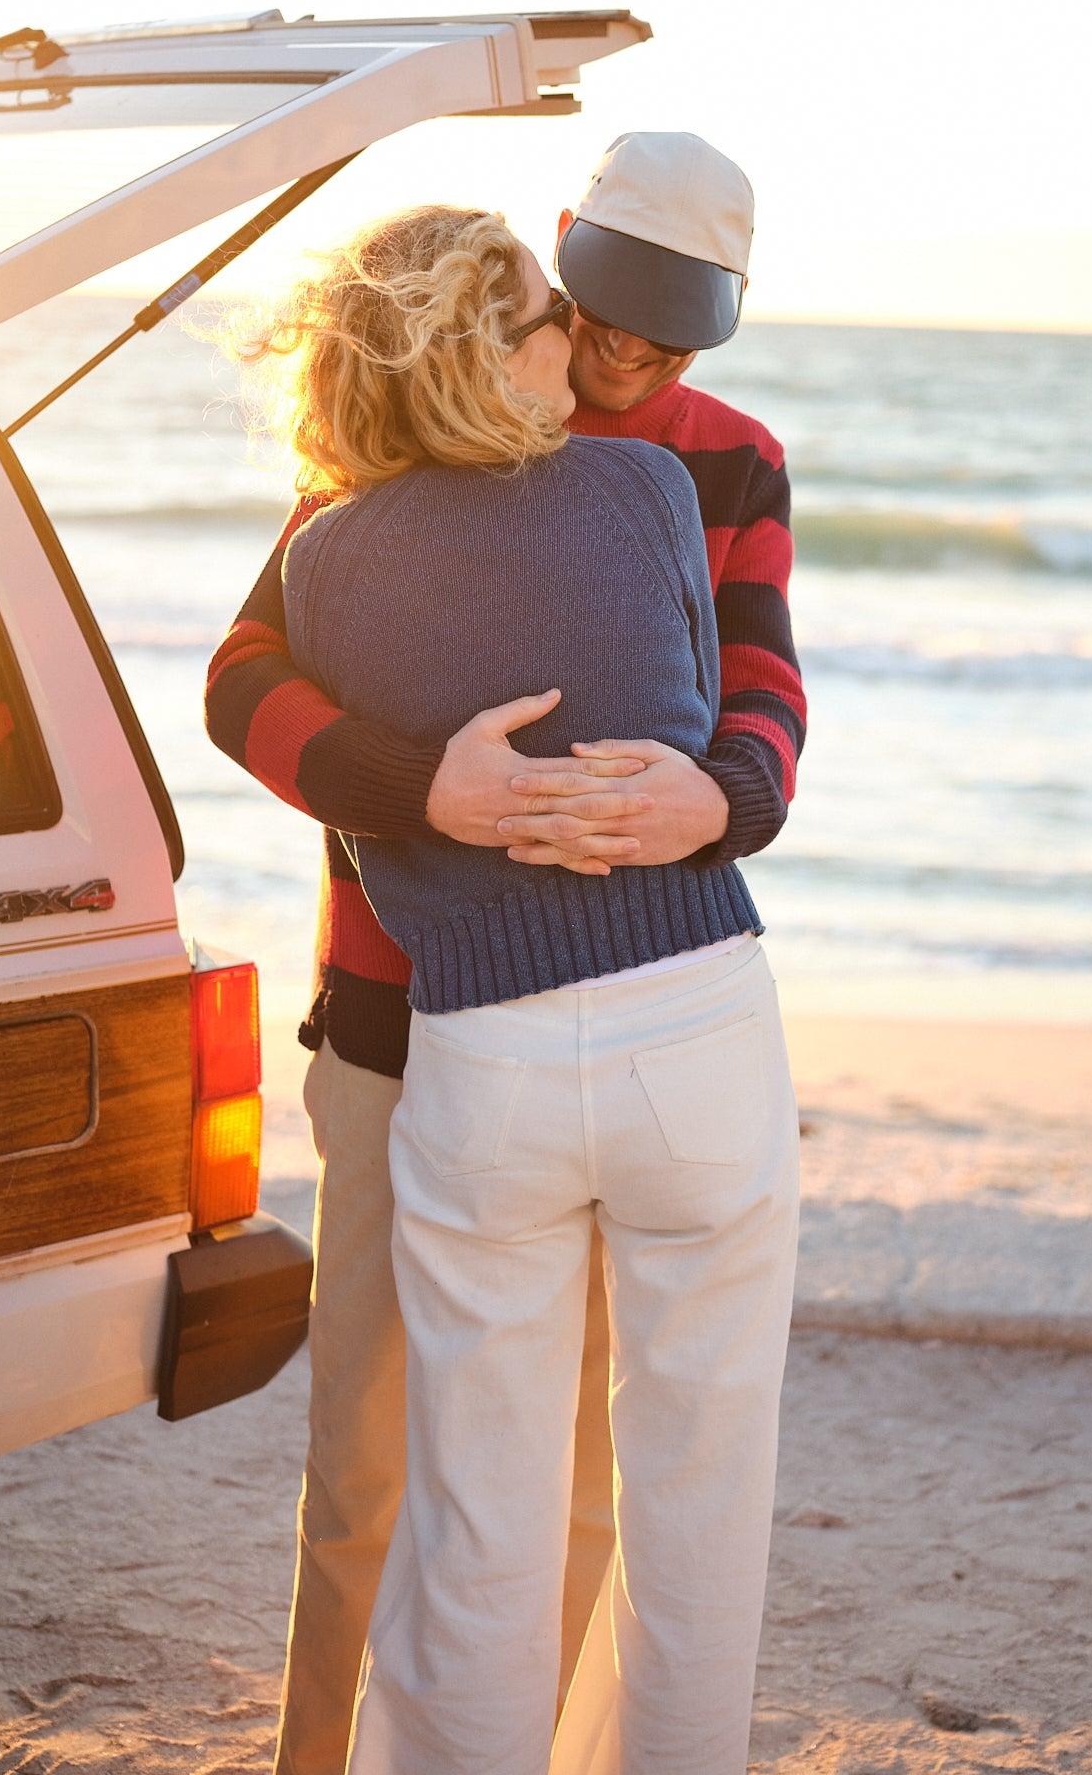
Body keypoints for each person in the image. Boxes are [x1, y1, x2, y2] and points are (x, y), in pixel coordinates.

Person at [203, 134, 807, 1774]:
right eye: (604, 313)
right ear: (557, 262)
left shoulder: (724, 464)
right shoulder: (391, 443)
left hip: (626, 1000)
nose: (629, 355)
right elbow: (242, 679)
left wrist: (724, 797)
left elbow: (763, 686)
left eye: (673, 333)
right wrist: (423, 788)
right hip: (405, 1025)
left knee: (587, 1495)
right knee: (372, 1473)